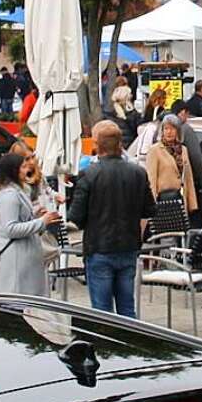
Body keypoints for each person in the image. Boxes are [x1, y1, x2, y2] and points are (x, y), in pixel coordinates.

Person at [67, 120, 156, 317]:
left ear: (97, 145)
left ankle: (105, 346)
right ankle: (129, 345)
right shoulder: (138, 173)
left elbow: (76, 217)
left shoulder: (88, 174)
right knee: (127, 308)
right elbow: (150, 209)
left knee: (102, 312)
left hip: (99, 248)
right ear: (120, 144)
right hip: (128, 246)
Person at [0, 153, 61, 297]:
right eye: (22, 167)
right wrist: (41, 222)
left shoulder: (15, 191)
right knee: (20, 301)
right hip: (16, 260)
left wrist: (34, 215)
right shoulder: (9, 195)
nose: (26, 169)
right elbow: (10, 228)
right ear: (13, 170)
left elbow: (17, 220)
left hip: (23, 258)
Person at [145, 115, 198, 215]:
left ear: (178, 131)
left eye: (172, 128)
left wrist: (192, 204)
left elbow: (188, 178)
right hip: (163, 201)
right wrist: (152, 205)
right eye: (166, 128)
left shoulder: (183, 150)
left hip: (180, 200)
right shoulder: (155, 150)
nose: (169, 132)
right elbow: (151, 180)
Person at [171, 101, 202, 227]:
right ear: (182, 112)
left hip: (169, 186)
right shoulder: (186, 130)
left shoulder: (161, 129)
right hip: (188, 181)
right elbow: (196, 157)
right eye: (187, 114)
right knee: (195, 221)